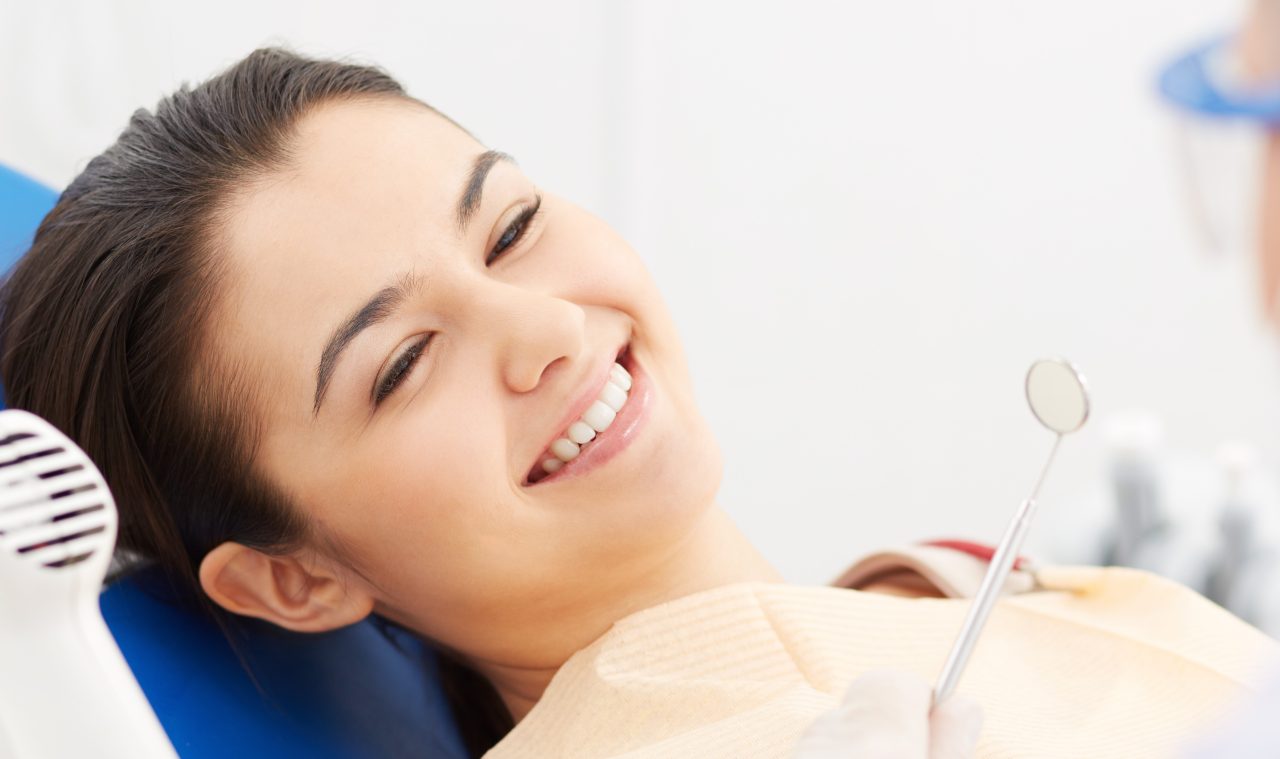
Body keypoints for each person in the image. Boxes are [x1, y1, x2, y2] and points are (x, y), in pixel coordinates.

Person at [1, 48, 1272, 758]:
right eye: (400, 365)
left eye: (509, 226)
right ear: (294, 578)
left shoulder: (939, 592)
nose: (548, 331)